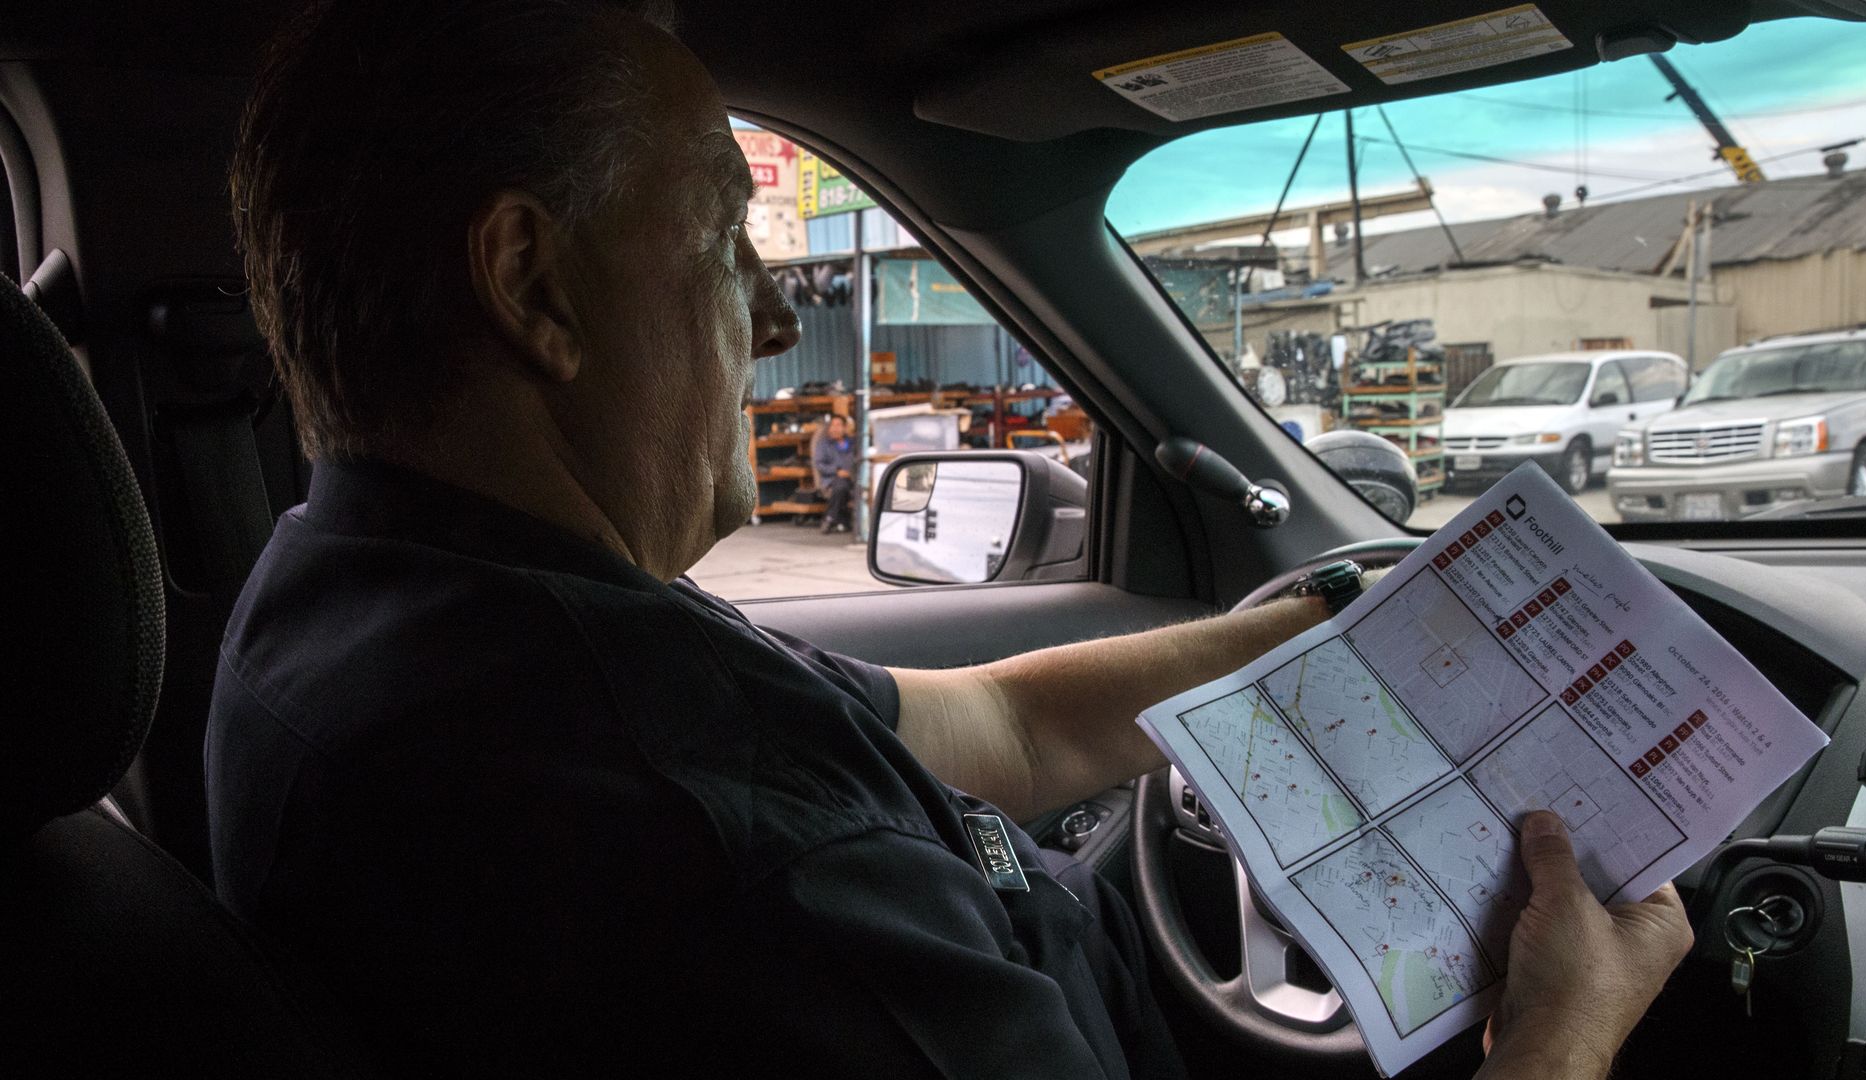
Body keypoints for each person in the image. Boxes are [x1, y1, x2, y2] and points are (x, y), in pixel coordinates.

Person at [205, 2, 1693, 1077]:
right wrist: (1558, 1036)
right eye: (726, 238)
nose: (777, 314)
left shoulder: (353, 608)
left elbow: (991, 721)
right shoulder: (730, 866)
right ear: (532, 285)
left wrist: (1304, 635)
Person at [811, 412, 857, 532]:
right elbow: (819, 464)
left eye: (839, 425)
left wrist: (851, 472)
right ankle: (834, 518)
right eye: (833, 425)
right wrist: (837, 471)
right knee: (841, 486)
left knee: (847, 486)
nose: (836, 428)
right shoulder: (824, 444)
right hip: (832, 479)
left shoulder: (853, 443)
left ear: (845, 427)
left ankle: (831, 517)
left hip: (853, 478)